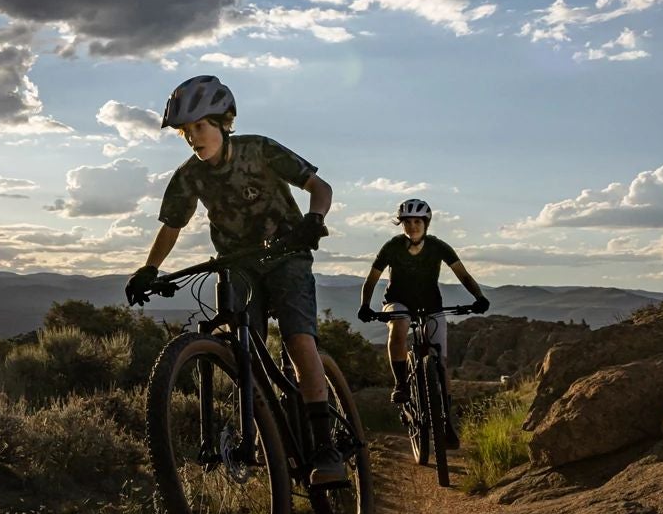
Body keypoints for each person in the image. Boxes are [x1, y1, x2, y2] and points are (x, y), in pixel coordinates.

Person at [124, 75, 344, 483]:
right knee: (241, 350)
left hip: (286, 254)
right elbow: (171, 227)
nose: (193, 138)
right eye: (186, 132)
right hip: (237, 264)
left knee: (298, 341)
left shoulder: (258, 149)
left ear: (225, 122)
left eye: (200, 128)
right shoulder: (189, 176)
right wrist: (149, 269)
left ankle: (326, 445)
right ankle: (263, 434)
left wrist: (314, 220)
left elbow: (320, 187)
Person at [355, 198, 489, 445]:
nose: (413, 226)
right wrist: (365, 305)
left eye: (417, 222)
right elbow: (372, 279)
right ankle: (401, 384)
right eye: (407, 222)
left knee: (440, 361)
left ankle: (446, 422)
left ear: (426, 223)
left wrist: (479, 297)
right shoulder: (392, 247)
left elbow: (463, 274)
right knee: (400, 325)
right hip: (397, 301)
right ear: (402, 225)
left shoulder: (438, 247)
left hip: (431, 305)